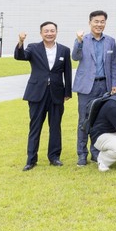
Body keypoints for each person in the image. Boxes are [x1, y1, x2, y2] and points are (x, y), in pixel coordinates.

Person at [15, 21, 72, 171]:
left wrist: (67, 92)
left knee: (55, 127)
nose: (49, 33)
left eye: (52, 31)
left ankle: (54, 157)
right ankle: (31, 159)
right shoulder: (33, 48)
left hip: (56, 94)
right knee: (35, 127)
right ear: (41, 33)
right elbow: (20, 56)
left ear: (56, 32)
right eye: (46, 31)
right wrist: (21, 42)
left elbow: (67, 72)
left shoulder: (64, 50)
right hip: (37, 93)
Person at [72, 10, 116, 167]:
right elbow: (75, 57)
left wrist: (114, 85)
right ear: (90, 22)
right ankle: (81, 154)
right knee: (84, 120)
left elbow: (114, 65)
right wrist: (78, 41)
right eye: (96, 21)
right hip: (87, 87)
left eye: (102, 21)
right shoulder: (82, 39)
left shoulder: (110, 41)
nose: (99, 24)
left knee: (100, 120)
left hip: (105, 85)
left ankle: (95, 152)